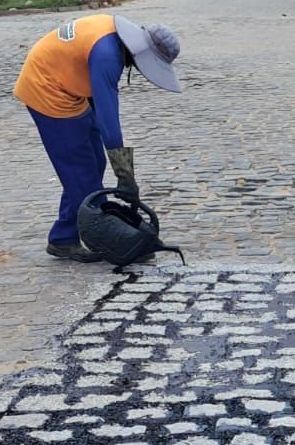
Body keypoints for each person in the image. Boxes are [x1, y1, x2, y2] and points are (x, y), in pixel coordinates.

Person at [13, 15, 183, 261]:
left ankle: (63, 235)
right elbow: (108, 119)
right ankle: (104, 241)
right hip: (46, 88)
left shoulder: (112, 37)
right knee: (81, 171)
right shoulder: (108, 56)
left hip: (68, 86)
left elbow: (97, 101)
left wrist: (117, 167)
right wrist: (125, 176)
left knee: (94, 162)